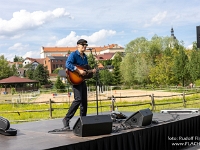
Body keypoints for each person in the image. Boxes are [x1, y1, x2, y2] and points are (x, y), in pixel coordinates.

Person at [62, 39, 96, 129]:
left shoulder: (85, 57)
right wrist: (78, 70)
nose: (84, 47)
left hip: (82, 80)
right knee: (78, 99)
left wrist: (91, 71)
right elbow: (67, 64)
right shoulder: (73, 55)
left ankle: (83, 121)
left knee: (84, 101)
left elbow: (85, 70)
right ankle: (66, 118)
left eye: (85, 45)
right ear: (78, 45)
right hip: (75, 80)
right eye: (83, 45)